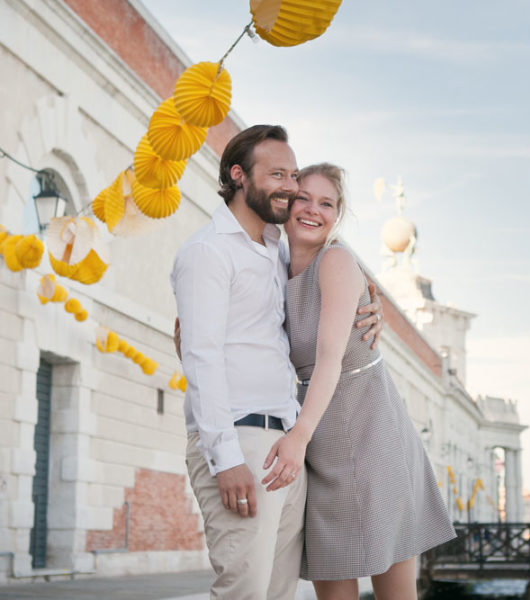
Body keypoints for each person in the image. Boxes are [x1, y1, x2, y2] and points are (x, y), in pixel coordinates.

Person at [170, 126, 382, 599]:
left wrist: (372, 301)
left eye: (292, 173)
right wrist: (225, 461)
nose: (290, 185)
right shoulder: (208, 252)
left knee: (281, 594)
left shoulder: (275, 248)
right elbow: (201, 360)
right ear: (239, 175)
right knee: (242, 591)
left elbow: (329, 272)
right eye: (278, 174)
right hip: (241, 443)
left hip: (285, 447)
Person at [263, 163, 456, 600]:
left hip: (371, 436)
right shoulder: (270, 262)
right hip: (321, 445)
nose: (313, 210)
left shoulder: (337, 259)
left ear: (338, 214)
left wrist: (297, 436)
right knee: (332, 587)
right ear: (287, 203)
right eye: (303, 199)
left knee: (394, 592)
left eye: (326, 203)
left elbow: (329, 358)